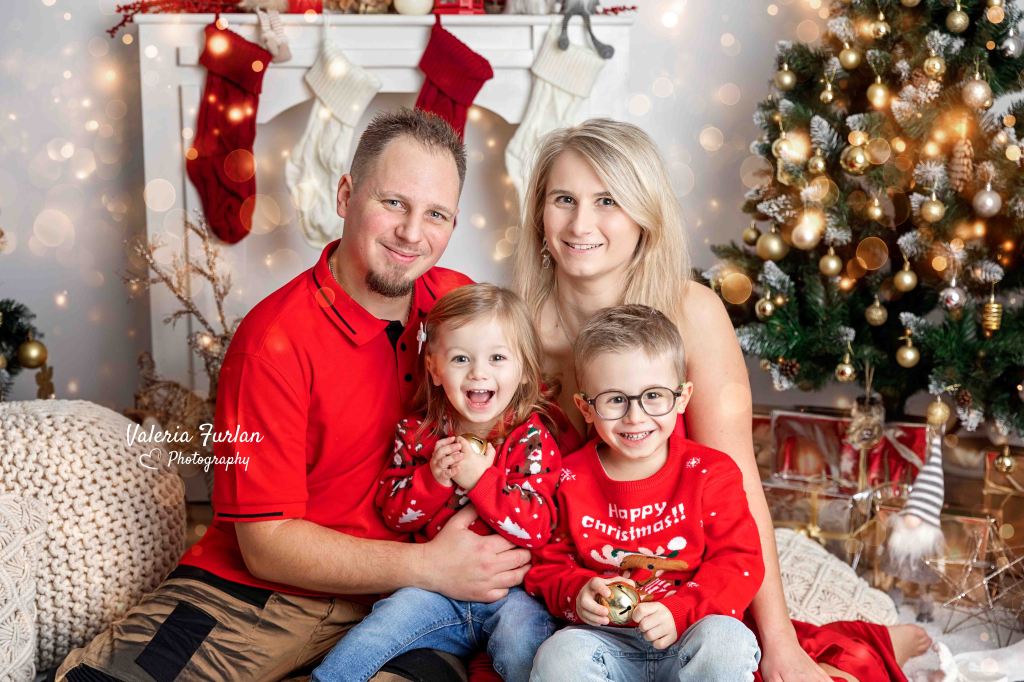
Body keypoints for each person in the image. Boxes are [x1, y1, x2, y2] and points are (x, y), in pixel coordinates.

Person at [56, 109, 531, 682]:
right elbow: (266, 545)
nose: (413, 233)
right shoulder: (269, 342)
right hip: (255, 598)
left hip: (405, 606)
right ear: (345, 194)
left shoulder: (460, 308)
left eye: (436, 214)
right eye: (393, 203)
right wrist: (431, 565)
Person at [512, 119, 931, 681]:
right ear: (540, 214)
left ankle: (867, 643)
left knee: (757, 661)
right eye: (564, 199)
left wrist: (781, 645)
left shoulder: (692, 313)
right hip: (575, 589)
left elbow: (738, 481)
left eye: (608, 200)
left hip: (683, 591)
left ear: (644, 217)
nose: (581, 223)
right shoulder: (513, 329)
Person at [313, 284, 559, 682]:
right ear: (434, 367)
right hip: (434, 593)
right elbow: (394, 514)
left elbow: (537, 526)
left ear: (525, 369)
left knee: (523, 641)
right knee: (380, 628)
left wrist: (481, 479)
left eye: (497, 358)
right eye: (461, 358)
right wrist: (431, 480)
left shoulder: (531, 439)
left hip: (512, 595)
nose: (479, 372)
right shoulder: (417, 433)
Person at [526, 304, 764, 682]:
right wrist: (577, 593)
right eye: (615, 399)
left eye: (653, 396)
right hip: (606, 645)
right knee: (559, 655)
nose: (635, 417)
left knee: (729, 640)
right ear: (586, 408)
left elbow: (739, 563)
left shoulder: (711, 473)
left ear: (682, 398)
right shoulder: (568, 477)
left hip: (690, 635)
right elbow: (548, 566)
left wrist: (680, 610)